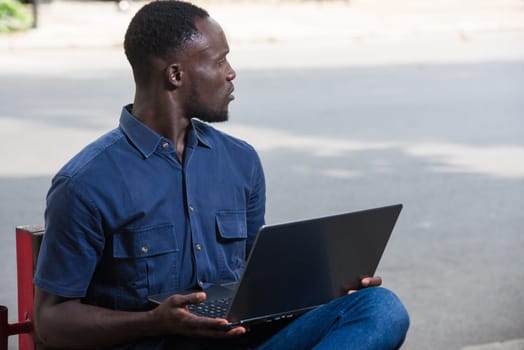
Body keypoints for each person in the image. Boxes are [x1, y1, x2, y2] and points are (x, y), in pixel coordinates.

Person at [33, 1, 410, 349]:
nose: (231, 73)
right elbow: (51, 321)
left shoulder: (239, 161)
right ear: (176, 75)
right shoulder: (86, 183)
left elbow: (254, 281)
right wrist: (154, 322)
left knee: (378, 306)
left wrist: (325, 288)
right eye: (219, 61)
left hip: (239, 341)